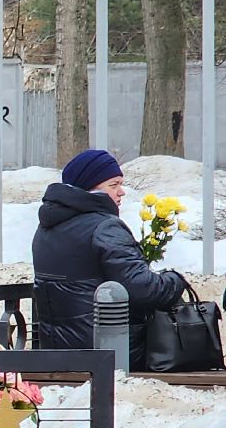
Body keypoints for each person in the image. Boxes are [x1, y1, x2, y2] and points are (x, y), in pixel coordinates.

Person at [32, 149, 190, 365]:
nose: (121, 192)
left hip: (58, 348)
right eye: (113, 185)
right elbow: (144, 289)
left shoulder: (46, 227)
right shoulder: (105, 227)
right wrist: (175, 280)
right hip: (111, 351)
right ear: (89, 189)